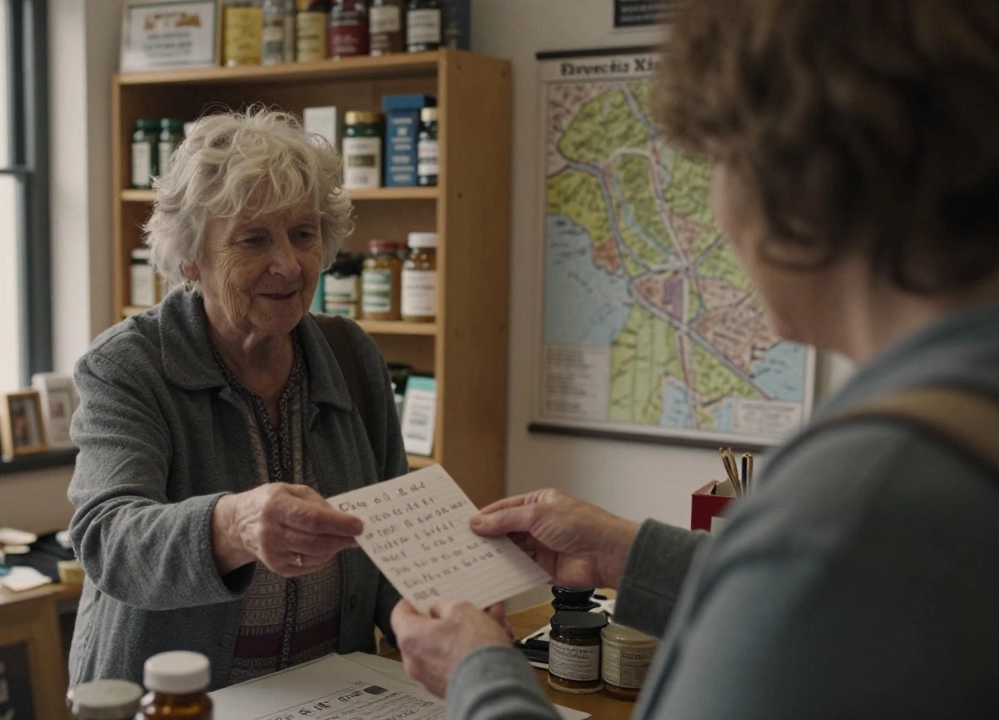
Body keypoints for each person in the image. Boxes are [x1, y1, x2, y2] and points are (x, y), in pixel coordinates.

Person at [391, 0, 999, 717]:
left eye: (718, 160)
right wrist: (629, 553)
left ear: (803, 177)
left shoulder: (854, 501)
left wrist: (479, 673)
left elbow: (822, 577)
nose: (715, 208)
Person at [65, 109, 408, 689]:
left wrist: (436, 614)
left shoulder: (350, 355)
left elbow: (392, 534)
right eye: (253, 239)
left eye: (304, 234)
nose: (290, 264)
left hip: (332, 695)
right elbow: (109, 538)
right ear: (190, 259)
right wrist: (234, 525)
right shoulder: (130, 365)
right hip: (175, 701)